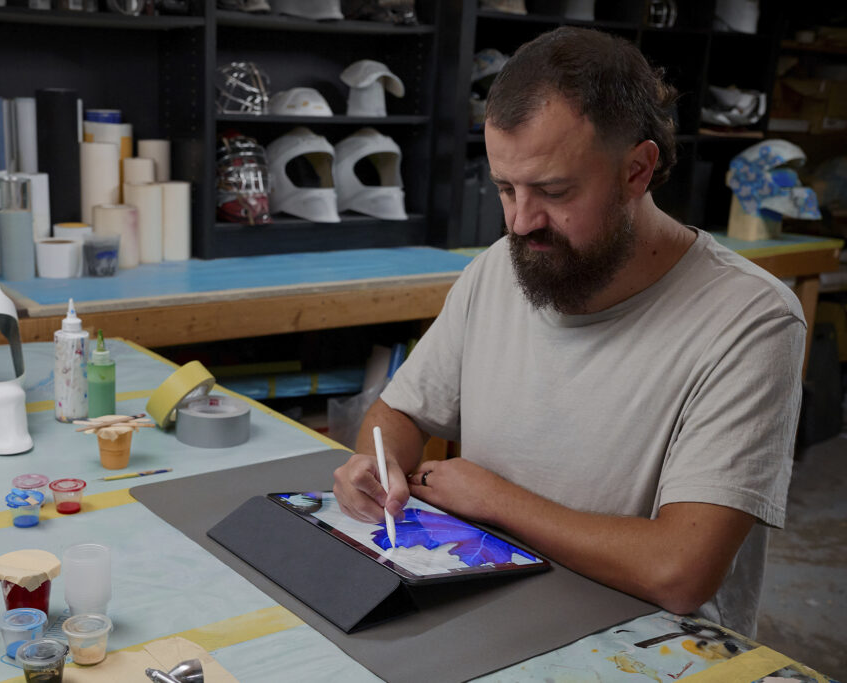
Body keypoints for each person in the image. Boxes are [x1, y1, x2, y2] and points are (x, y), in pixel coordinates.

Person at [333, 26, 804, 638]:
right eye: (506, 187)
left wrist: (495, 500)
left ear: (638, 170)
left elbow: (679, 570)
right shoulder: (498, 271)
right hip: (483, 607)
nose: (522, 221)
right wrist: (376, 464)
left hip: (641, 644)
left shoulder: (750, 321)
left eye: (554, 191)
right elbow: (398, 412)